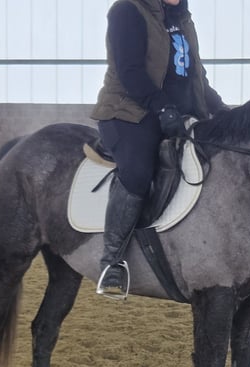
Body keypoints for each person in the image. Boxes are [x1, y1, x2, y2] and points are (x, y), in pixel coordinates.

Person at [90, 0, 227, 299]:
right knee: (138, 171)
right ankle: (112, 261)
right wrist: (163, 107)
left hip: (177, 113)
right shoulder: (127, 10)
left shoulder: (183, 18)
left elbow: (197, 78)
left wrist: (222, 111)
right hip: (129, 111)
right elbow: (130, 72)